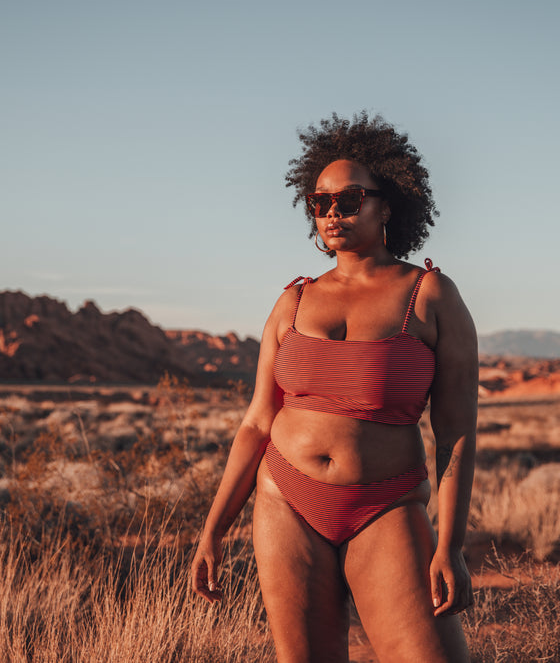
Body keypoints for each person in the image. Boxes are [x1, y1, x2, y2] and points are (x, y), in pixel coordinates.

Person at [191, 112, 478, 663]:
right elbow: (256, 421)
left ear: (387, 204)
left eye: (348, 200)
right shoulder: (293, 300)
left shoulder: (430, 294)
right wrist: (214, 529)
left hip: (385, 503)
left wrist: (452, 545)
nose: (332, 214)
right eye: (319, 204)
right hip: (285, 501)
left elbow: (457, 431)